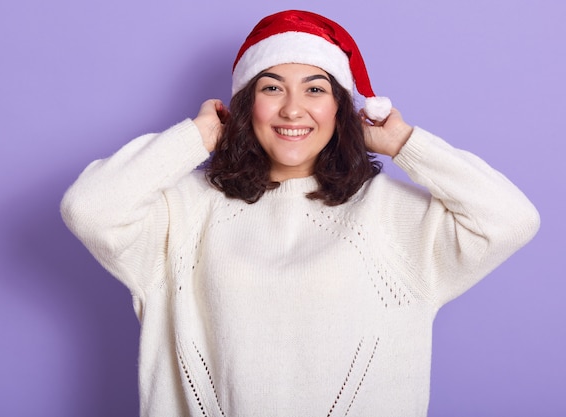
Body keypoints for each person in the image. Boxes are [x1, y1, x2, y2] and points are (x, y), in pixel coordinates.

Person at [61, 9, 540, 417]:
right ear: (246, 105)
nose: (293, 110)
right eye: (272, 88)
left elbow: (510, 219)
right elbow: (89, 209)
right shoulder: (182, 210)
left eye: (315, 89)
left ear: (340, 106)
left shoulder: (390, 214)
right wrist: (195, 137)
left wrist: (402, 143)